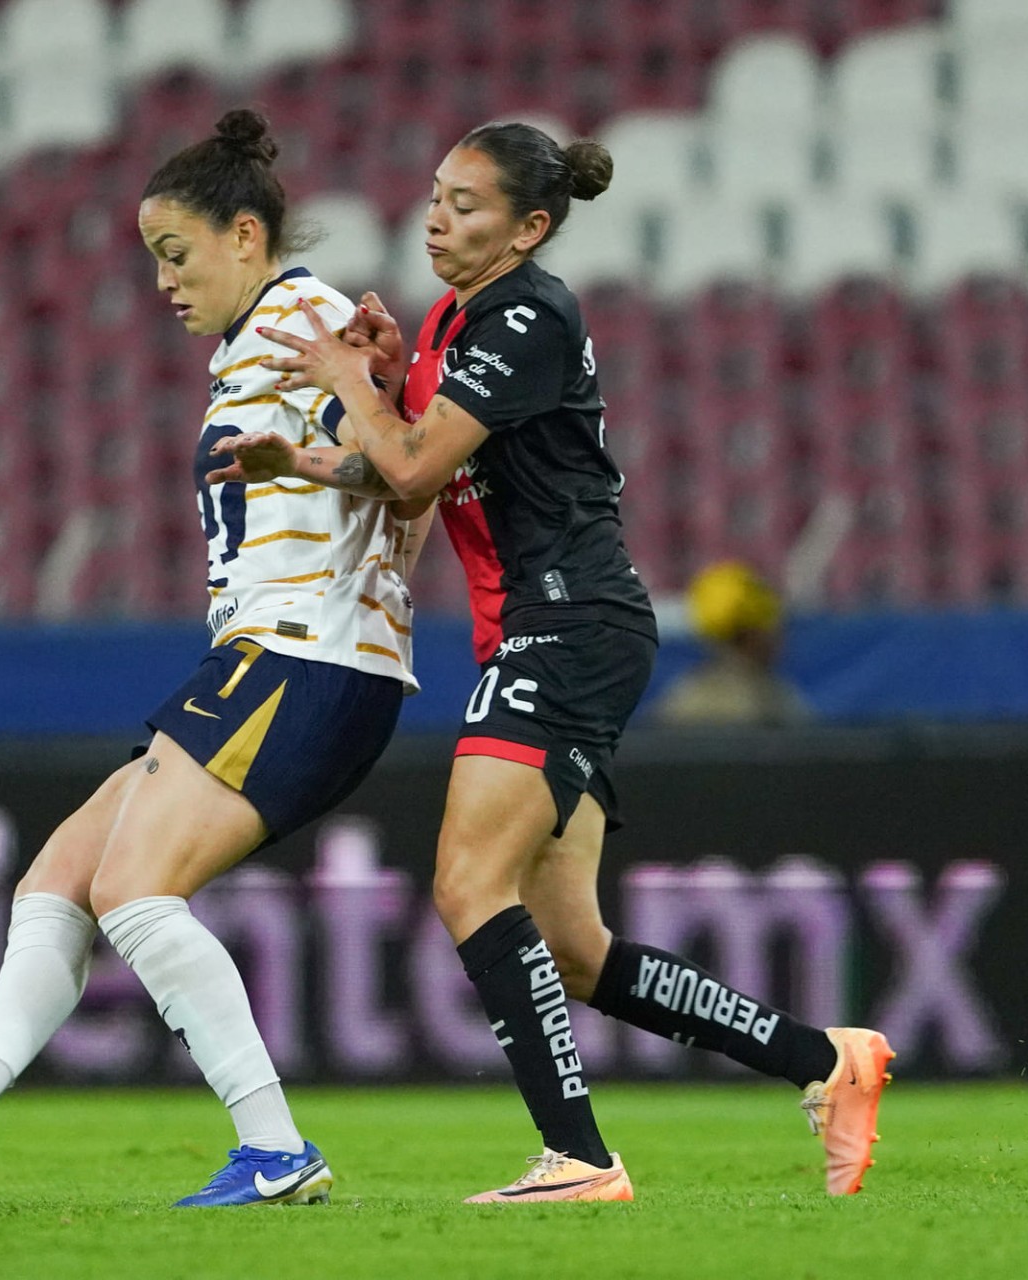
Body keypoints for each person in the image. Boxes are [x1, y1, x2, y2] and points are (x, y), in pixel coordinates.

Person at [219, 121, 892, 1202]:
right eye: (435, 196)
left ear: (529, 227)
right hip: (552, 630)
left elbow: (415, 463)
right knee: (577, 949)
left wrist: (350, 379)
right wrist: (315, 446)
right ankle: (826, 1061)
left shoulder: (527, 315)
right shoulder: (456, 320)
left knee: (466, 881)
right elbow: (406, 471)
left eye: (467, 205)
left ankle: (578, 1157)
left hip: (568, 624)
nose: (437, 219)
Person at [0, 110, 433, 1207]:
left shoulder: (309, 320)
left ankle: (276, 1148)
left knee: (136, 891)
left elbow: (411, 470)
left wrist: (360, 415)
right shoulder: (261, 340)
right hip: (277, 653)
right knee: (60, 875)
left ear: (247, 235)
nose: (162, 282)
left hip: (307, 654)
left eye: (176, 253)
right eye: (154, 259)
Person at [654, 560, 812, 727]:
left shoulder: (685, 696)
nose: (782, 636)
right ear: (753, 635)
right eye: (773, 625)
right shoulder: (771, 702)